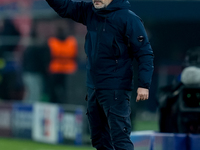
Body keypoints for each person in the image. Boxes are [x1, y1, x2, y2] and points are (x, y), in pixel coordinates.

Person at [46, 0, 154, 149]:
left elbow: (145, 54)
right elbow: (65, 7)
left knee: (120, 140)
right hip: (94, 88)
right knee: (99, 141)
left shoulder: (129, 19)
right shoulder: (91, 12)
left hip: (116, 89)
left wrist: (144, 85)